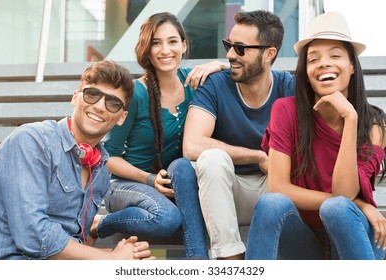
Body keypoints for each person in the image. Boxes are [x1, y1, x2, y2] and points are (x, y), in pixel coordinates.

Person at [245, 11, 386, 260]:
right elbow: (279, 188)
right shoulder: (286, 110)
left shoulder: (374, 124)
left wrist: (350, 119)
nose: (323, 63)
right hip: (303, 239)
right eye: (313, 59)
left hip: (355, 234)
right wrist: (361, 204)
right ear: (306, 70)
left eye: (335, 55)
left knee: (337, 208)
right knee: (270, 203)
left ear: (352, 66)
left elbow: (343, 197)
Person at [89, 12, 228, 259]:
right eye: (156, 42)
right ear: (147, 49)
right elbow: (107, 157)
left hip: (177, 184)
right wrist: (149, 178)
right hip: (126, 185)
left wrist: (219, 64)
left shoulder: (194, 84)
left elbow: (242, 71)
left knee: (182, 166)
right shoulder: (136, 94)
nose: (165, 50)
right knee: (167, 218)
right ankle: (101, 224)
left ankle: (197, 264)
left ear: (184, 45)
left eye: (173, 41)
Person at [0, 60, 153, 260]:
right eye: (92, 94)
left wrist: (125, 255)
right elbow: (34, 237)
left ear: (122, 118)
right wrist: (110, 260)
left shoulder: (101, 170)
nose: (100, 107)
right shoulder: (32, 142)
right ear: (75, 98)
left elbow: (75, 244)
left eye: (113, 103)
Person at [182, 10, 295, 260]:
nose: (230, 54)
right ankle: (230, 262)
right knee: (211, 159)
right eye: (229, 45)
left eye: (240, 48)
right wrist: (258, 156)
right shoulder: (216, 84)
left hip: (276, 190)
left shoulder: (289, 88)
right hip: (228, 193)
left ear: (269, 54)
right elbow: (191, 144)